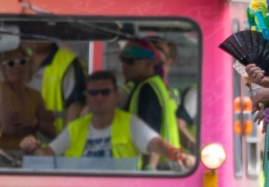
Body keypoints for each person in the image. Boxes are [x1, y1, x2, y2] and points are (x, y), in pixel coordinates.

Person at [22, 70, 188, 166]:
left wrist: (181, 156)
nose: (99, 97)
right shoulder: (75, 128)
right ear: (87, 97)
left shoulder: (130, 123)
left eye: (105, 92)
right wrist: (32, 148)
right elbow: (46, 154)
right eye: (93, 93)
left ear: (116, 96)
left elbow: (157, 144)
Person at [0, 52, 55, 154]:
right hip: (0, 154)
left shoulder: (35, 95)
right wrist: (37, 123)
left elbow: (52, 131)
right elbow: (10, 128)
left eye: (23, 62)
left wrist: (33, 122)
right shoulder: (1, 89)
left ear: (29, 65)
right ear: (3, 69)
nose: (18, 66)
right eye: (11, 63)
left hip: (28, 154)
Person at [120, 41, 181, 149]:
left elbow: (149, 137)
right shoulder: (154, 85)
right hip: (167, 160)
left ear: (148, 64)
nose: (123, 65)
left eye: (130, 61)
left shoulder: (147, 90)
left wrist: (148, 165)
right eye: (122, 60)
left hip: (156, 163)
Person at [27, 40, 87, 130]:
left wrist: (66, 139)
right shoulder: (22, 59)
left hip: (55, 138)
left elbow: (76, 104)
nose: (35, 37)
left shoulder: (66, 62)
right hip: (23, 138)